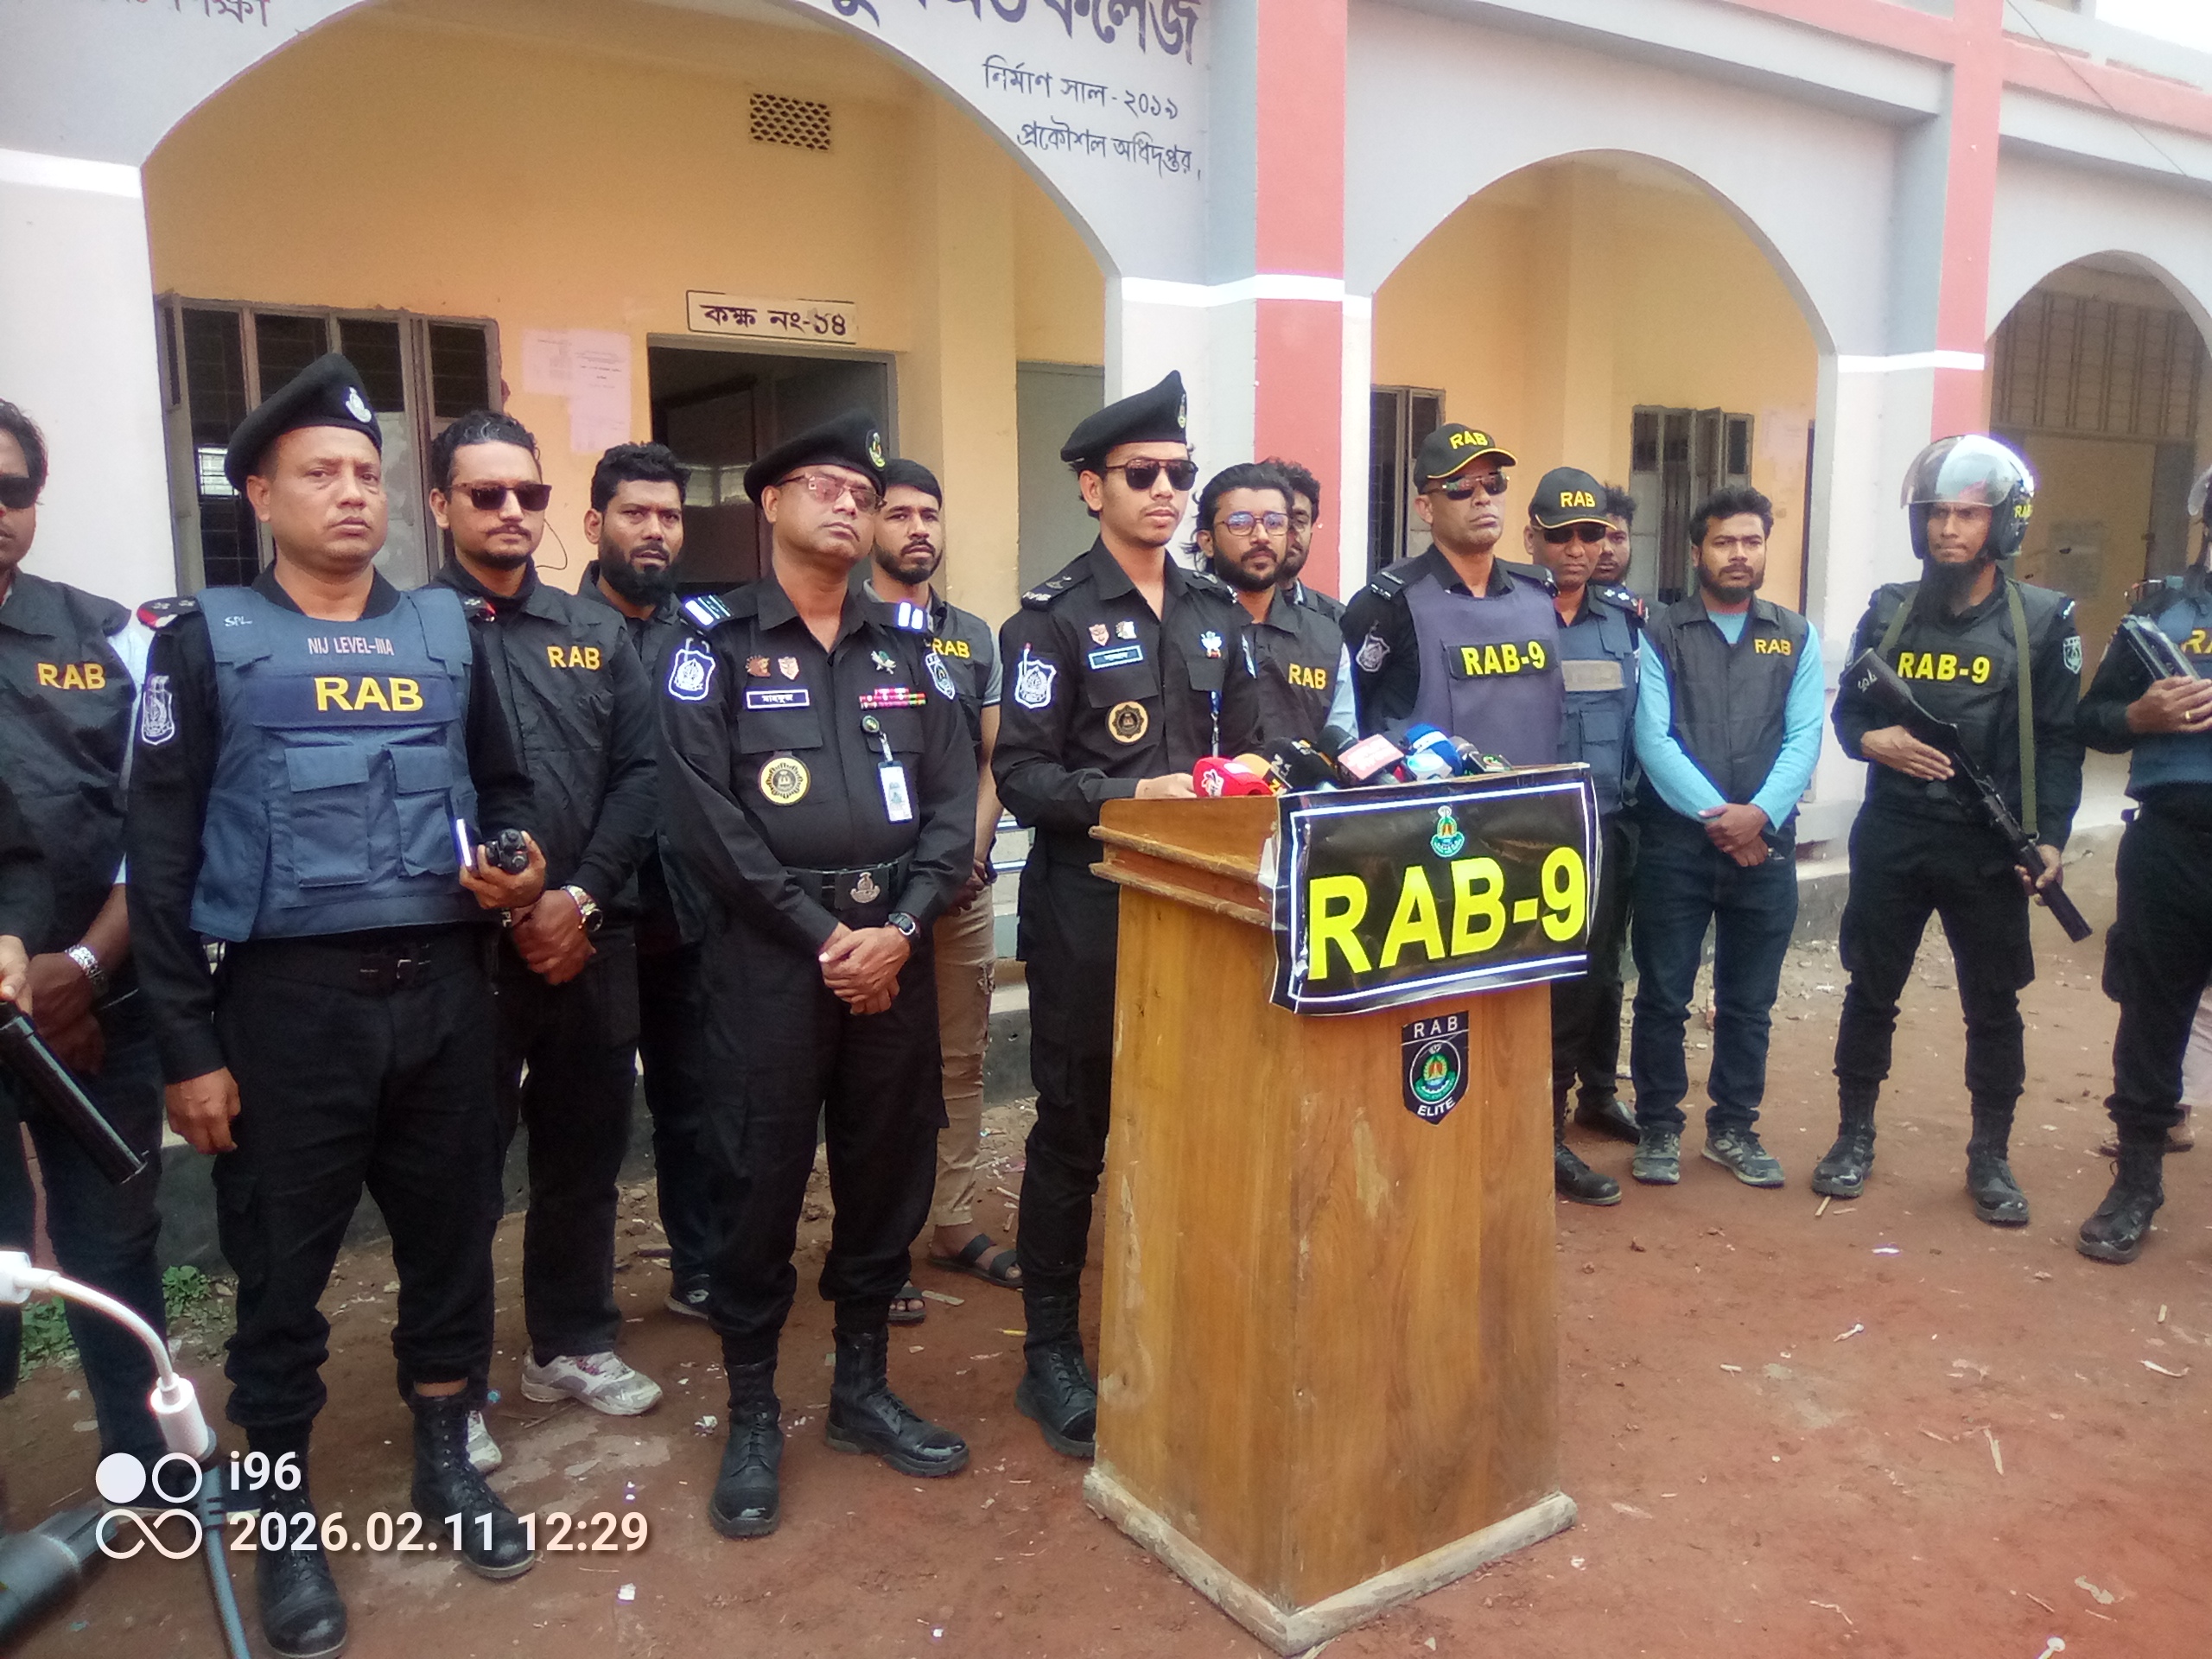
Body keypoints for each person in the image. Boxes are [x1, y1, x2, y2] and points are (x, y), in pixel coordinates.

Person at [127, 354, 543, 1656]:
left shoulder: (445, 634)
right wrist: (186, 1047)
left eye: (368, 472)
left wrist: (520, 862)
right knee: (278, 1278)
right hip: (285, 1010)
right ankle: (281, 1507)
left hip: (446, 998)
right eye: (322, 472)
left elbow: (505, 789)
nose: (355, 492)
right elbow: (159, 861)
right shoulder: (203, 643)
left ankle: (446, 1458)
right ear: (259, 494)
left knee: (452, 1247)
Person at [659, 411, 977, 1539]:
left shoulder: (912, 651)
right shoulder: (711, 645)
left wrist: (900, 927)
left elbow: (953, 804)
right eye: (826, 487)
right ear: (771, 503)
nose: (849, 505)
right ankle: (753, 1411)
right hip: (769, 962)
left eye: (863, 493)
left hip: (893, 950)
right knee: (757, 1178)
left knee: (887, 1166)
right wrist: (823, 937)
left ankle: (861, 1389)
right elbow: (702, 818)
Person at [993, 371, 1242, 1461]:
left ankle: (1176, 1318)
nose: (1166, 492)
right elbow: (1022, 776)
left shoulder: (1215, 612)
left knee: (1193, 1121)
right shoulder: (1049, 620)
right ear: (1092, 487)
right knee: (1077, 1128)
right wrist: (1135, 796)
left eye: (1180, 474)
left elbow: (1244, 749)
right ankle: (1050, 1347)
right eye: (1143, 475)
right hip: (1091, 912)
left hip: (1204, 912)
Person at [424, 412, 663, 1458]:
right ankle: (455, 1383)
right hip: (465, 951)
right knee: (459, 1168)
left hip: (589, 941)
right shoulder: (413, 633)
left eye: (528, 494)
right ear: (442, 505)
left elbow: (641, 778)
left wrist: (582, 900)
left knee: (584, 1151)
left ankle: (569, 1341)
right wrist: (517, 906)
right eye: (487, 494)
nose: (512, 511)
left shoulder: (593, 631)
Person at [1821, 436, 2082, 1226]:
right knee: (1871, 989)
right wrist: (1874, 740)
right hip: (1895, 832)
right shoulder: (1890, 609)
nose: (1947, 529)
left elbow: (2060, 740)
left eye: (1968, 515)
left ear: (2003, 523)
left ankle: (1990, 1155)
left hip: (1986, 845)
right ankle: (1853, 1136)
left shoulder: (2044, 621)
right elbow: (1850, 711)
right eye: (1937, 513)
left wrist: (2049, 836)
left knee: (1993, 1004)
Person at [0, 400, 170, 1473]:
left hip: (101, 1002)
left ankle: (144, 1459)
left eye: (11, 489)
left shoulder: (108, 634)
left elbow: (157, 822)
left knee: (115, 1239)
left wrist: (83, 968)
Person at [1627, 486, 1823, 1190]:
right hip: (1676, 849)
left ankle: (1734, 1129)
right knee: (1663, 995)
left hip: (1764, 849)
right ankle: (1658, 1126)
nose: (1739, 555)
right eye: (1724, 542)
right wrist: (1724, 820)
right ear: (1696, 552)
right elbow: (1653, 740)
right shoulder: (1660, 633)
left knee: (1748, 1003)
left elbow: (1805, 738)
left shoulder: (1795, 635)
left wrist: (1759, 816)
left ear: (1765, 548)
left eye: (1751, 542)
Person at [863, 458, 1016, 1312]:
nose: (917, 528)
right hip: (874, 899)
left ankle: (953, 1222)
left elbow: (996, 759)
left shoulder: (973, 637)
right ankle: (876, 1246)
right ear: (869, 527)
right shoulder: (843, 628)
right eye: (899, 513)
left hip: (963, 884)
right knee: (877, 1072)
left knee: (961, 1058)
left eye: (929, 513)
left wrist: (967, 853)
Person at [575, 442, 716, 1318]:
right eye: (636, 513)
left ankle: (699, 1268)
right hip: (592, 918)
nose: (655, 530)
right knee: (586, 1123)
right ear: (597, 523)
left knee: (694, 1104)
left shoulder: (706, 636)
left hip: (688, 914)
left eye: (669, 515)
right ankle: (579, 1309)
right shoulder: (555, 631)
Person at [2071, 474, 2212, 1262]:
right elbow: (2092, 719)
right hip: (2171, 844)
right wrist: (2139, 714)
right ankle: (2137, 1184)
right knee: (2152, 1017)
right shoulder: (2159, 614)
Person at [1524, 467, 1641, 1205]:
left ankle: (1575, 1109)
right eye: (1561, 534)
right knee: (1540, 984)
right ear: (1532, 537)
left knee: (1595, 976)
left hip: (1607, 827)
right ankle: (1538, 1132)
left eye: (1590, 534)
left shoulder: (1627, 622)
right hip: (1526, 833)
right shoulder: (1508, 612)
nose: (1577, 548)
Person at [1342, 425, 1563, 761]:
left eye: (1494, 482)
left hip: (1538, 794)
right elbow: (1350, 715)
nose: (1483, 498)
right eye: (1461, 486)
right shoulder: (1389, 605)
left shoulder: (1539, 596)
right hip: (1432, 795)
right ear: (1426, 508)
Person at [1200, 461, 1357, 756]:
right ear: (1207, 542)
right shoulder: (1182, 626)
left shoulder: (1327, 638)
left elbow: (1343, 745)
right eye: (1241, 522)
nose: (1261, 536)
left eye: (1274, 522)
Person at [1260, 455, 1344, 623]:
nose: (1290, 531)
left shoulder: (1336, 621)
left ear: (1310, 533)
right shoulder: (1217, 615)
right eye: (1275, 521)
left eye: (1299, 521)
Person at [1594, 485, 1637, 588]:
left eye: (1618, 538)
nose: (1606, 549)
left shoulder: (1637, 600)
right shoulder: (1554, 599)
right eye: (1595, 537)